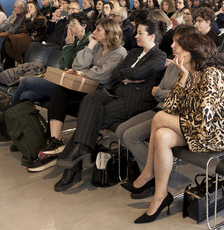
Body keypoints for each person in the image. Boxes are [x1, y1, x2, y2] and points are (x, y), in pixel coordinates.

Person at [128, 32, 224, 224]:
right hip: (197, 127)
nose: (172, 47)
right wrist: (184, 77)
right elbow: (170, 106)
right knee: (162, 135)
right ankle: (160, 195)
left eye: (178, 45)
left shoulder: (212, 75)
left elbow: (204, 122)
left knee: (160, 117)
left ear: (191, 52)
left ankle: (148, 173)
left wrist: (175, 116)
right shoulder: (189, 73)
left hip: (218, 133)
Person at [50, 20, 167, 187]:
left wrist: (129, 75)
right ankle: (80, 152)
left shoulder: (159, 56)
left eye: (140, 33)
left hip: (135, 102)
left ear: (152, 36)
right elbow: (116, 74)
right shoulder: (133, 52)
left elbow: (139, 72)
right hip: (116, 95)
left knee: (89, 119)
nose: (136, 36)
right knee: (90, 99)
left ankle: (72, 167)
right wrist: (128, 76)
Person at [40, 19, 127, 183]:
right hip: (88, 89)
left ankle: (71, 165)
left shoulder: (119, 52)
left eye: (98, 29)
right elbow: (77, 65)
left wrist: (84, 72)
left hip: (104, 94)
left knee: (85, 106)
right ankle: (55, 140)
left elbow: (103, 75)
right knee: (59, 91)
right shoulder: (98, 46)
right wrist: (90, 45)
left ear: (109, 33)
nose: (94, 31)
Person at [116, 26, 198, 187]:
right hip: (160, 108)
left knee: (130, 135)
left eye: (176, 42)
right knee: (120, 131)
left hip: (173, 115)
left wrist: (162, 92)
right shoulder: (173, 64)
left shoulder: (192, 69)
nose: (172, 45)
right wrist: (163, 93)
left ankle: (151, 177)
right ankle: (151, 172)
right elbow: (157, 91)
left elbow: (177, 98)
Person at [11, 12, 92, 107]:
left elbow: (71, 64)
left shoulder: (88, 43)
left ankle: (6, 113)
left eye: (73, 23)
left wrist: (69, 45)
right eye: (69, 24)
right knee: (27, 95)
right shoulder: (74, 40)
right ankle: (17, 118)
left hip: (73, 86)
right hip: (64, 79)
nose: (69, 27)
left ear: (84, 25)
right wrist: (69, 47)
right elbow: (62, 64)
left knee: (25, 81)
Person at [1, 1, 47, 69]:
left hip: (35, 39)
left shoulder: (41, 19)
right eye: (28, 7)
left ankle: (5, 63)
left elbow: (33, 30)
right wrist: (29, 30)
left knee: (11, 40)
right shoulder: (26, 17)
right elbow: (20, 29)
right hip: (26, 36)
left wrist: (28, 21)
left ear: (36, 8)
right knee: (9, 41)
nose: (29, 9)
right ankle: (8, 66)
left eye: (31, 7)